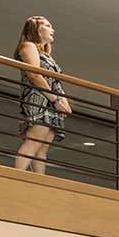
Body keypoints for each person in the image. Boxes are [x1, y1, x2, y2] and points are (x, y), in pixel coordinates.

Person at [13, 16, 70, 174]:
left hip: (51, 101)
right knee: (34, 141)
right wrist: (56, 100)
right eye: (48, 25)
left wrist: (64, 102)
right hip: (39, 98)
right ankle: (14, 178)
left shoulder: (46, 54)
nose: (52, 29)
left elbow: (55, 81)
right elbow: (34, 75)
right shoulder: (28, 46)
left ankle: (39, 184)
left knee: (42, 148)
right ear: (36, 28)